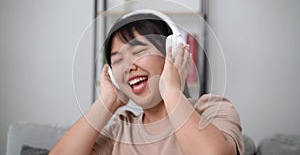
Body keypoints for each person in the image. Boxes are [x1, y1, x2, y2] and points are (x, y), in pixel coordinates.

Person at [50, 10, 244, 155]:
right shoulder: (121, 129)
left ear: (172, 53)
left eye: (139, 52)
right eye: (117, 60)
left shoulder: (213, 109)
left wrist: (171, 91)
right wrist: (108, 100)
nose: (128, 67)